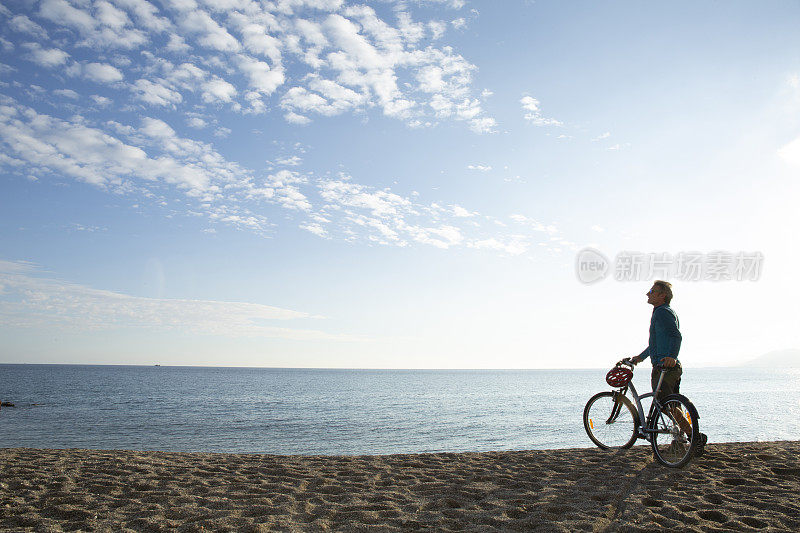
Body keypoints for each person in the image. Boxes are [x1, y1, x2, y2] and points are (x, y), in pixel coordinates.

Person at [630, 280, 707, 457]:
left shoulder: (663, 313)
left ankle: (693, 437)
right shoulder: (660, 312)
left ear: (662, 295)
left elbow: (676, 336)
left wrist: (671, 357)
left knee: (665, 406)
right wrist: (640, 358)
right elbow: (655, 343)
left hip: (666, 367)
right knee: (671, 405)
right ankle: (683, 439)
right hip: (667, 366)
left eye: (652, 291)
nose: (647, 294)